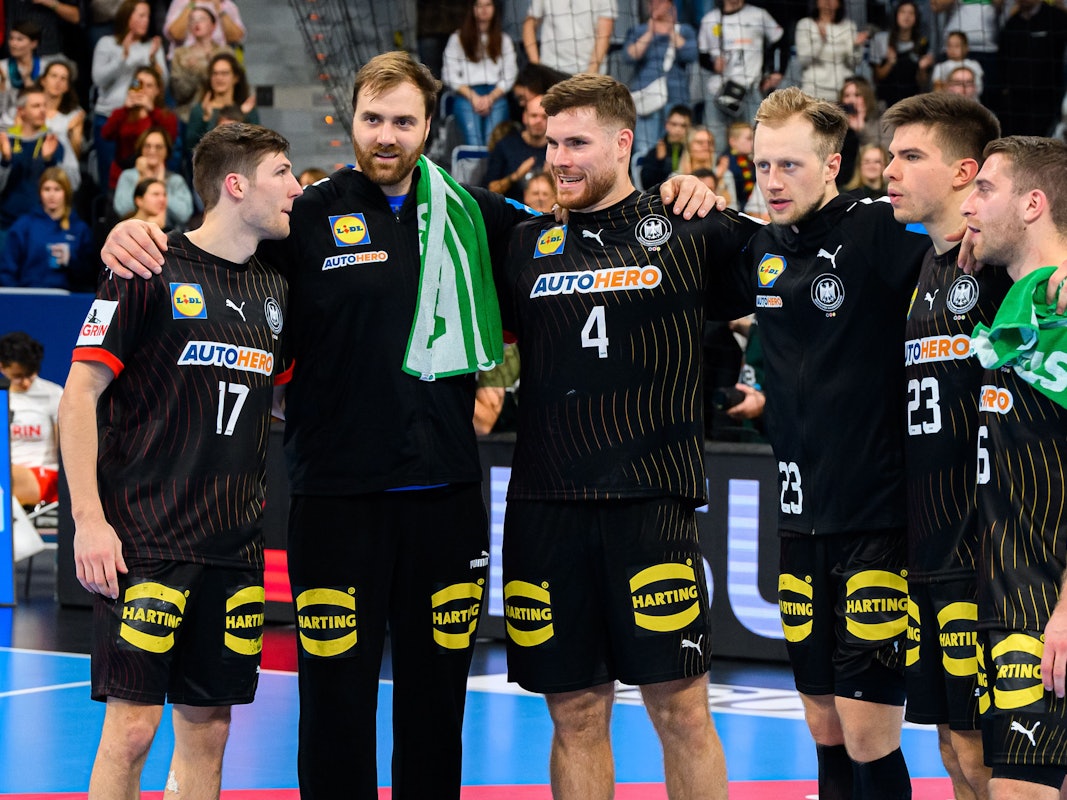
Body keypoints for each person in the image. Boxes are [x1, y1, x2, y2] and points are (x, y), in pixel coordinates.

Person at [95, 51, 718, 800]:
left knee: (435, 705)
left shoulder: (481, 215)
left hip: (444, 504)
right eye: (371, 119)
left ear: (430, 125)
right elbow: (215, 242)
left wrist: (674, 192)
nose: (385, 136)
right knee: (333, 705)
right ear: (351, 120)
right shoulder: (304, 215)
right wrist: (133, 234)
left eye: (403, 121)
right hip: (335, 500)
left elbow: (589, 230)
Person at [498, 71, 759, 800]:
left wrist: (718, 195)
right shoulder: (521, 243)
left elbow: (803, 260)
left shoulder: (690, 225)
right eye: (551, 143)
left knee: (679, 711)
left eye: (577, 142)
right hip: (546, 509)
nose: (560, 158)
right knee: (575, 714)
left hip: (650, 506)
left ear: (623, 141)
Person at [59, 121, 299, 800]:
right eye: (282, 172)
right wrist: (89, 520)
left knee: (209, 731)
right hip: (147, 541)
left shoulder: (275, 292)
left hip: (233, 549)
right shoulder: (146, 265)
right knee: (131, 732)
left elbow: (273, 404)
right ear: (235, 184)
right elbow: (78, 396)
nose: (295, 187)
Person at [740, 86, 929, 800]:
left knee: (865, 730)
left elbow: (965, 233)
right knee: (820, 723)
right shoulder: (759, 244)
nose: (772, 180)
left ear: (832, 164)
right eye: (761, 165)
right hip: (798, 524)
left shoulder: (877, 226)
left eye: (789, 165)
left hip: (875, 521)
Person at [881, 91, 1007, 800]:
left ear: (964, 173)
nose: (888, 169)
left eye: (909, 156)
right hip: (926, 546)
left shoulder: (996, 266)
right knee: (953, 752)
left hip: (986, 549)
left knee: (993, 756)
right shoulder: (926, 267)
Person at [962, 135, 1067, 800]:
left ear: (1031, 204)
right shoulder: (1018, 299)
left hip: (1046, 603)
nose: (967, 199)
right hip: (1009, 594)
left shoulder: (1054, 305)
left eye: (983, 189)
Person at [90, 0, 168, 190]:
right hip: (110, 116)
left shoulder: (151, 46)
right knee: (109, 177)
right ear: (127, 16)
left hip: (141, 120)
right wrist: (122, 59)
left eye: (147, 16)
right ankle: (108, 212)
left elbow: (163, 81)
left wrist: (153, 60)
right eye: (140, 15)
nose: (145, 21)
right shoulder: (107, 44)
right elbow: (98, 79)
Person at [697, 0, 783, 162]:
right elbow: (702, 56)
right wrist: (713, 64)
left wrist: (778, 71)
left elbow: (780, 41)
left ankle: (755, 184)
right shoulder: (710, 19)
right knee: (716, 143)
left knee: (755, 142)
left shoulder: (758, 15)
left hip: (750, 90)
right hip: (718, 91)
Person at [622, 0, 698, 158]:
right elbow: (629, 56)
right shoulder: (639, 30)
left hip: (676, 97)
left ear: (671, 5)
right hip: (646, 97)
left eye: (660, 2)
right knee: (645, 149)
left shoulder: (684, 30)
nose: (655, 5)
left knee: (676, 148)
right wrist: (650, 32)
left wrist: (671, 29)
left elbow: (690, 54)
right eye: (651, 2)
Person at [0, 166, 93, 289]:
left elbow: (90, 276)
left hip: (68, 299)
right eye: (47, 189)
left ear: (66, 192)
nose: (51, 195)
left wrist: (71, 260)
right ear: (40, 192)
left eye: (57, 189)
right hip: (28, 297)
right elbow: (7, 270)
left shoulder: (79, 229)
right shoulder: (23, 226)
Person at [441, 0, 517, 148]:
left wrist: (490, 98)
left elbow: (509, 75)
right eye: (479, 5)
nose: (483, 9)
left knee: (493, 143)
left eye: (488, 5)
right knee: (473, 142)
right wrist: (473, 97)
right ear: (472, 8)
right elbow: (449, 74)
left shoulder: (504, 40)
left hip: (496, 95)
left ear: (495, 8)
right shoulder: (457, 39)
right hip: (466, 94)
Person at [1, 331, 63, 508]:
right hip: (8, 474)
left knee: (5, 475)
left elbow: (66, 448)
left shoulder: (53, 394)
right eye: (18, 376)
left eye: (31, 374)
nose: (26, 382)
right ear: (2, 367)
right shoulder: (1, 396)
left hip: (45, 476)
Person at [0, 85, 63, 252]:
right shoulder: (6, 141)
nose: (43, 110)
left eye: (44, 105)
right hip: (6, 224)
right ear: (21, 111)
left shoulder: (53, 140)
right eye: (36, 106)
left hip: (43, 224)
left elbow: (70, 185)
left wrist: (48, 161)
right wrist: (5, 160)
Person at [101, 64, 179, 191]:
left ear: (157, 91)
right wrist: (125, 110)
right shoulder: (122, 113)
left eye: (149, 86)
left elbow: (170, 139)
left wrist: (152, 111)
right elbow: (106, 134)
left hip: (153, 175)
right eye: (140, 84)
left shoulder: (165, 116)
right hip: (121, 176)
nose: (144, 90)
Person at [996, 0, 1067, 137]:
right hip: (1016, 100)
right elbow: (1002, 59)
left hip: (1047, 98)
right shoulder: (1012, 23)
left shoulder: (1057, 18)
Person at [113, 127, 194, 229]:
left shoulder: (175, 180)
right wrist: (143, 179)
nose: (152, 151)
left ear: (167, 151)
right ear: (141, 149)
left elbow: (184, 215)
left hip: (170, 235)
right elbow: (123, 210)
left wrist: (161, 185)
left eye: (158, 147)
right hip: (135, 232)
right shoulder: (127, 176)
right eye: (147, 146)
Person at [184, 53, 259, 164]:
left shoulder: (247, 110)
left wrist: (241, 116)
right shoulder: (199, 110)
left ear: (235, 78)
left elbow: (256, 145)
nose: (219, 78)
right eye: (215, 73)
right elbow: (191, 148)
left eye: (224, 73)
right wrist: (206, 119)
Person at [793, 0, 868, 101]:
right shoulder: (805, 24)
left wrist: (856, 47)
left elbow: (855, 62)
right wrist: (820, 41)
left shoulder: (849, 26)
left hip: (842, 92)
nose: (828, 2)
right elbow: (804, 60)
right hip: (813, 91)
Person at [169, 5, 232, 120]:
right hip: (188, 114)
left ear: (213, 25)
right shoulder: (180, 54)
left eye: (202, 19)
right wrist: (191, 73)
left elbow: (234, 85)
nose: (196, 23)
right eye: (192, 20)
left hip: (222, 114)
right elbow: (179, 93)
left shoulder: (225, 52)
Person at [522, 0, 616, 76]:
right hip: (550, 71)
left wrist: (590, 75)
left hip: (589, 72)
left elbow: (604, 35)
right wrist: (536, 65)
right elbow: (529, 24)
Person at [870, 0, 934, 108]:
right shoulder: (881, 39)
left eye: (911, 13)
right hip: (885, 101)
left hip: (912, 102)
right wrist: (890, 63)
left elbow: (922, 83)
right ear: (895, 15)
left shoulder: (922, 42)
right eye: (903, 12)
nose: (907, 16)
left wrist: (922, 68)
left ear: (916, 18)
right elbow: (876, 78)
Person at [485, 92, 547, 201]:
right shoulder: (505, 145)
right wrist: (515, 176)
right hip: (512, 212)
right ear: (524, 117)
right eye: (534, 115)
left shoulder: (558, 149)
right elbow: (489, 191)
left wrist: (551, 179)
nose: (538, 121)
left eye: (544, 117)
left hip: (546, 214)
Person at [40, 58, 84, 188]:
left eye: (63, 78)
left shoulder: (74, 114)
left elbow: (75, 154)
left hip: (61, 170)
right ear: (43, 80)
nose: (57, 82)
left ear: (67, 87)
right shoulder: (29, 106)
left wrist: (73, 134)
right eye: (53, 76)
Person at [0, 21, 46, 127]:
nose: (13, 43)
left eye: (19, 39)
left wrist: (27, 79)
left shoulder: (44, 68)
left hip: (38, 120)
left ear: (33, 43)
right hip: (6, 121)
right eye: (11, 38)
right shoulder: (2, 67)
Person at [162, 0, 245, 58]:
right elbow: (176, 34)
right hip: (186, 62)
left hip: (217, 60)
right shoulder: (181, 2)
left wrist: (220, 10)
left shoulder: (226, 4)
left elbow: (236, 37)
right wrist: (191, 4)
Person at [637, 104, 690, 189]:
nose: (678, 129)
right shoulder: (655, 152)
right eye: (674, 124)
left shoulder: (692, 151)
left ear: (689, 128)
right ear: (667, 125)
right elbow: (646, 185)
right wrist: (660, 161)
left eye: (683, 125)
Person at [931, 31, 984, 97]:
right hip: (949, 102)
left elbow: (979, 88)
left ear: (966, 48)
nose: (952, 49)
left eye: (957, 46)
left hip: (972, 102)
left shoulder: (974, 65)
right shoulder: (940, 67)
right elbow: (937, 89)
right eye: (949, 45)